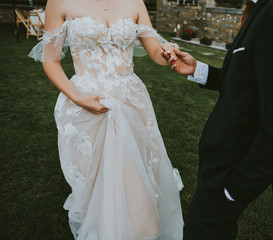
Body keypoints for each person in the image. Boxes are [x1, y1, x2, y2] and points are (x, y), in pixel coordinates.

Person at [163, 0, 273, 239]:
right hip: (217, 167)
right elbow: (245, 82)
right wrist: (198, 70)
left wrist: (234, 190)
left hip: (230, 176)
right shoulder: (261, 8)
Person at [29, 0, 183, 239]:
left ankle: (142, 231)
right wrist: (78, 97)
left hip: (131, 101)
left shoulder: (135, 2)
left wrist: (168, 54)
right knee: (97, 183)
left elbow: (154, 50)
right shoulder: (59, 2)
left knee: (136, 176)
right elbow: (51, 60)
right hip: (87, 103)